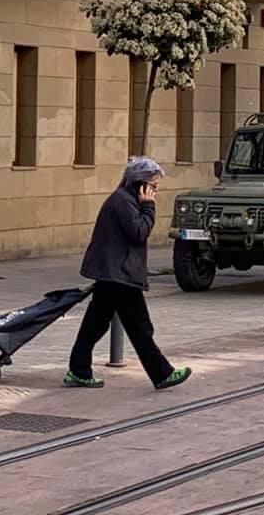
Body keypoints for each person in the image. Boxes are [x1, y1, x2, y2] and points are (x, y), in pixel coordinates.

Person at [65, 157, 192, 390]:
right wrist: (149, 206)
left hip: (113, 272)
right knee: (139, 326)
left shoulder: (123, 199)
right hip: (119, 274)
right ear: (140, 184)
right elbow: (139, 232)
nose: (155, 191)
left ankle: (78, 370)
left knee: (97, 323)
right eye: (153, 186)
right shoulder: (124, 201)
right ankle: (162, 374)